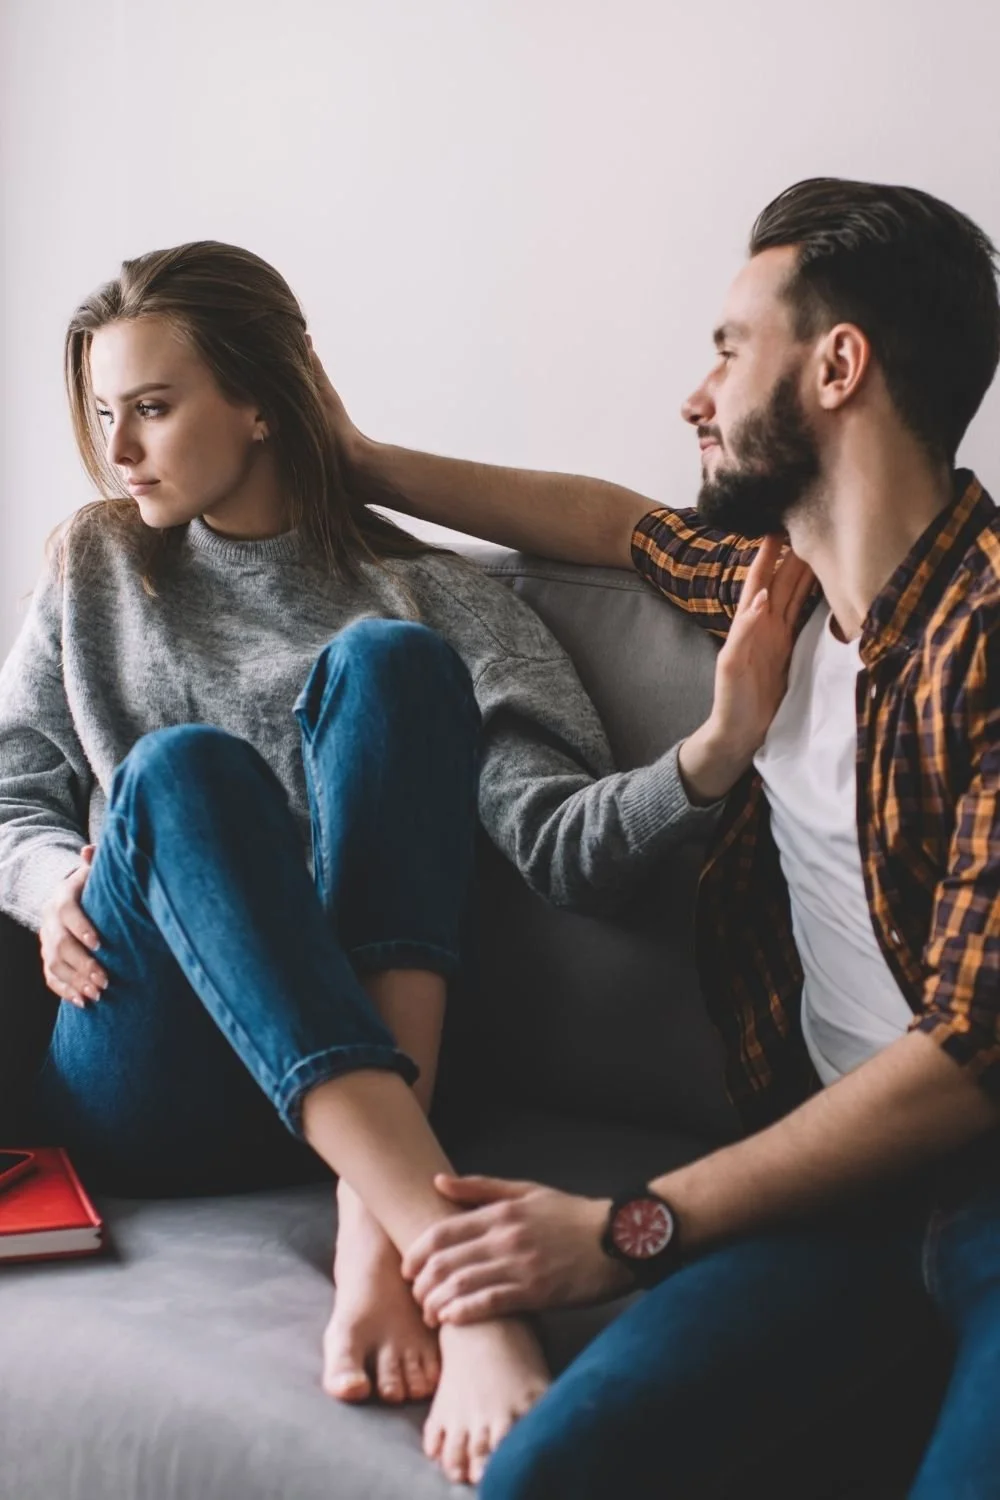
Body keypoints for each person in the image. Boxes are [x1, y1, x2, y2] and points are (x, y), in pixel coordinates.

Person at [0, 241, 804, 1487]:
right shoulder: (93, 562)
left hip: (376, 1068)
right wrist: (51, 880)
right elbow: (17, 790)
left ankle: (374, 1214)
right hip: (150, 1069)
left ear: (261, 403)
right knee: (179, 772)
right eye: (106, 415)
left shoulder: (433, 599)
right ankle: (446, 1260)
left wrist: (711, 753)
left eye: (152, 408)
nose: (121, 450)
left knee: (394, 664)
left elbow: (564, 853)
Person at [314, 178, 1000, 1497]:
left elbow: (971, 1053)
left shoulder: (985, 635)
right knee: (544, 1479)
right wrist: (357, 461)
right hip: (831, 1204)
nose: (696, 395)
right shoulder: (776, 591)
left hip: (982, 1190)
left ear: (838, 367)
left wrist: (629, 1228)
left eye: (729, 350)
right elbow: (613, 526)